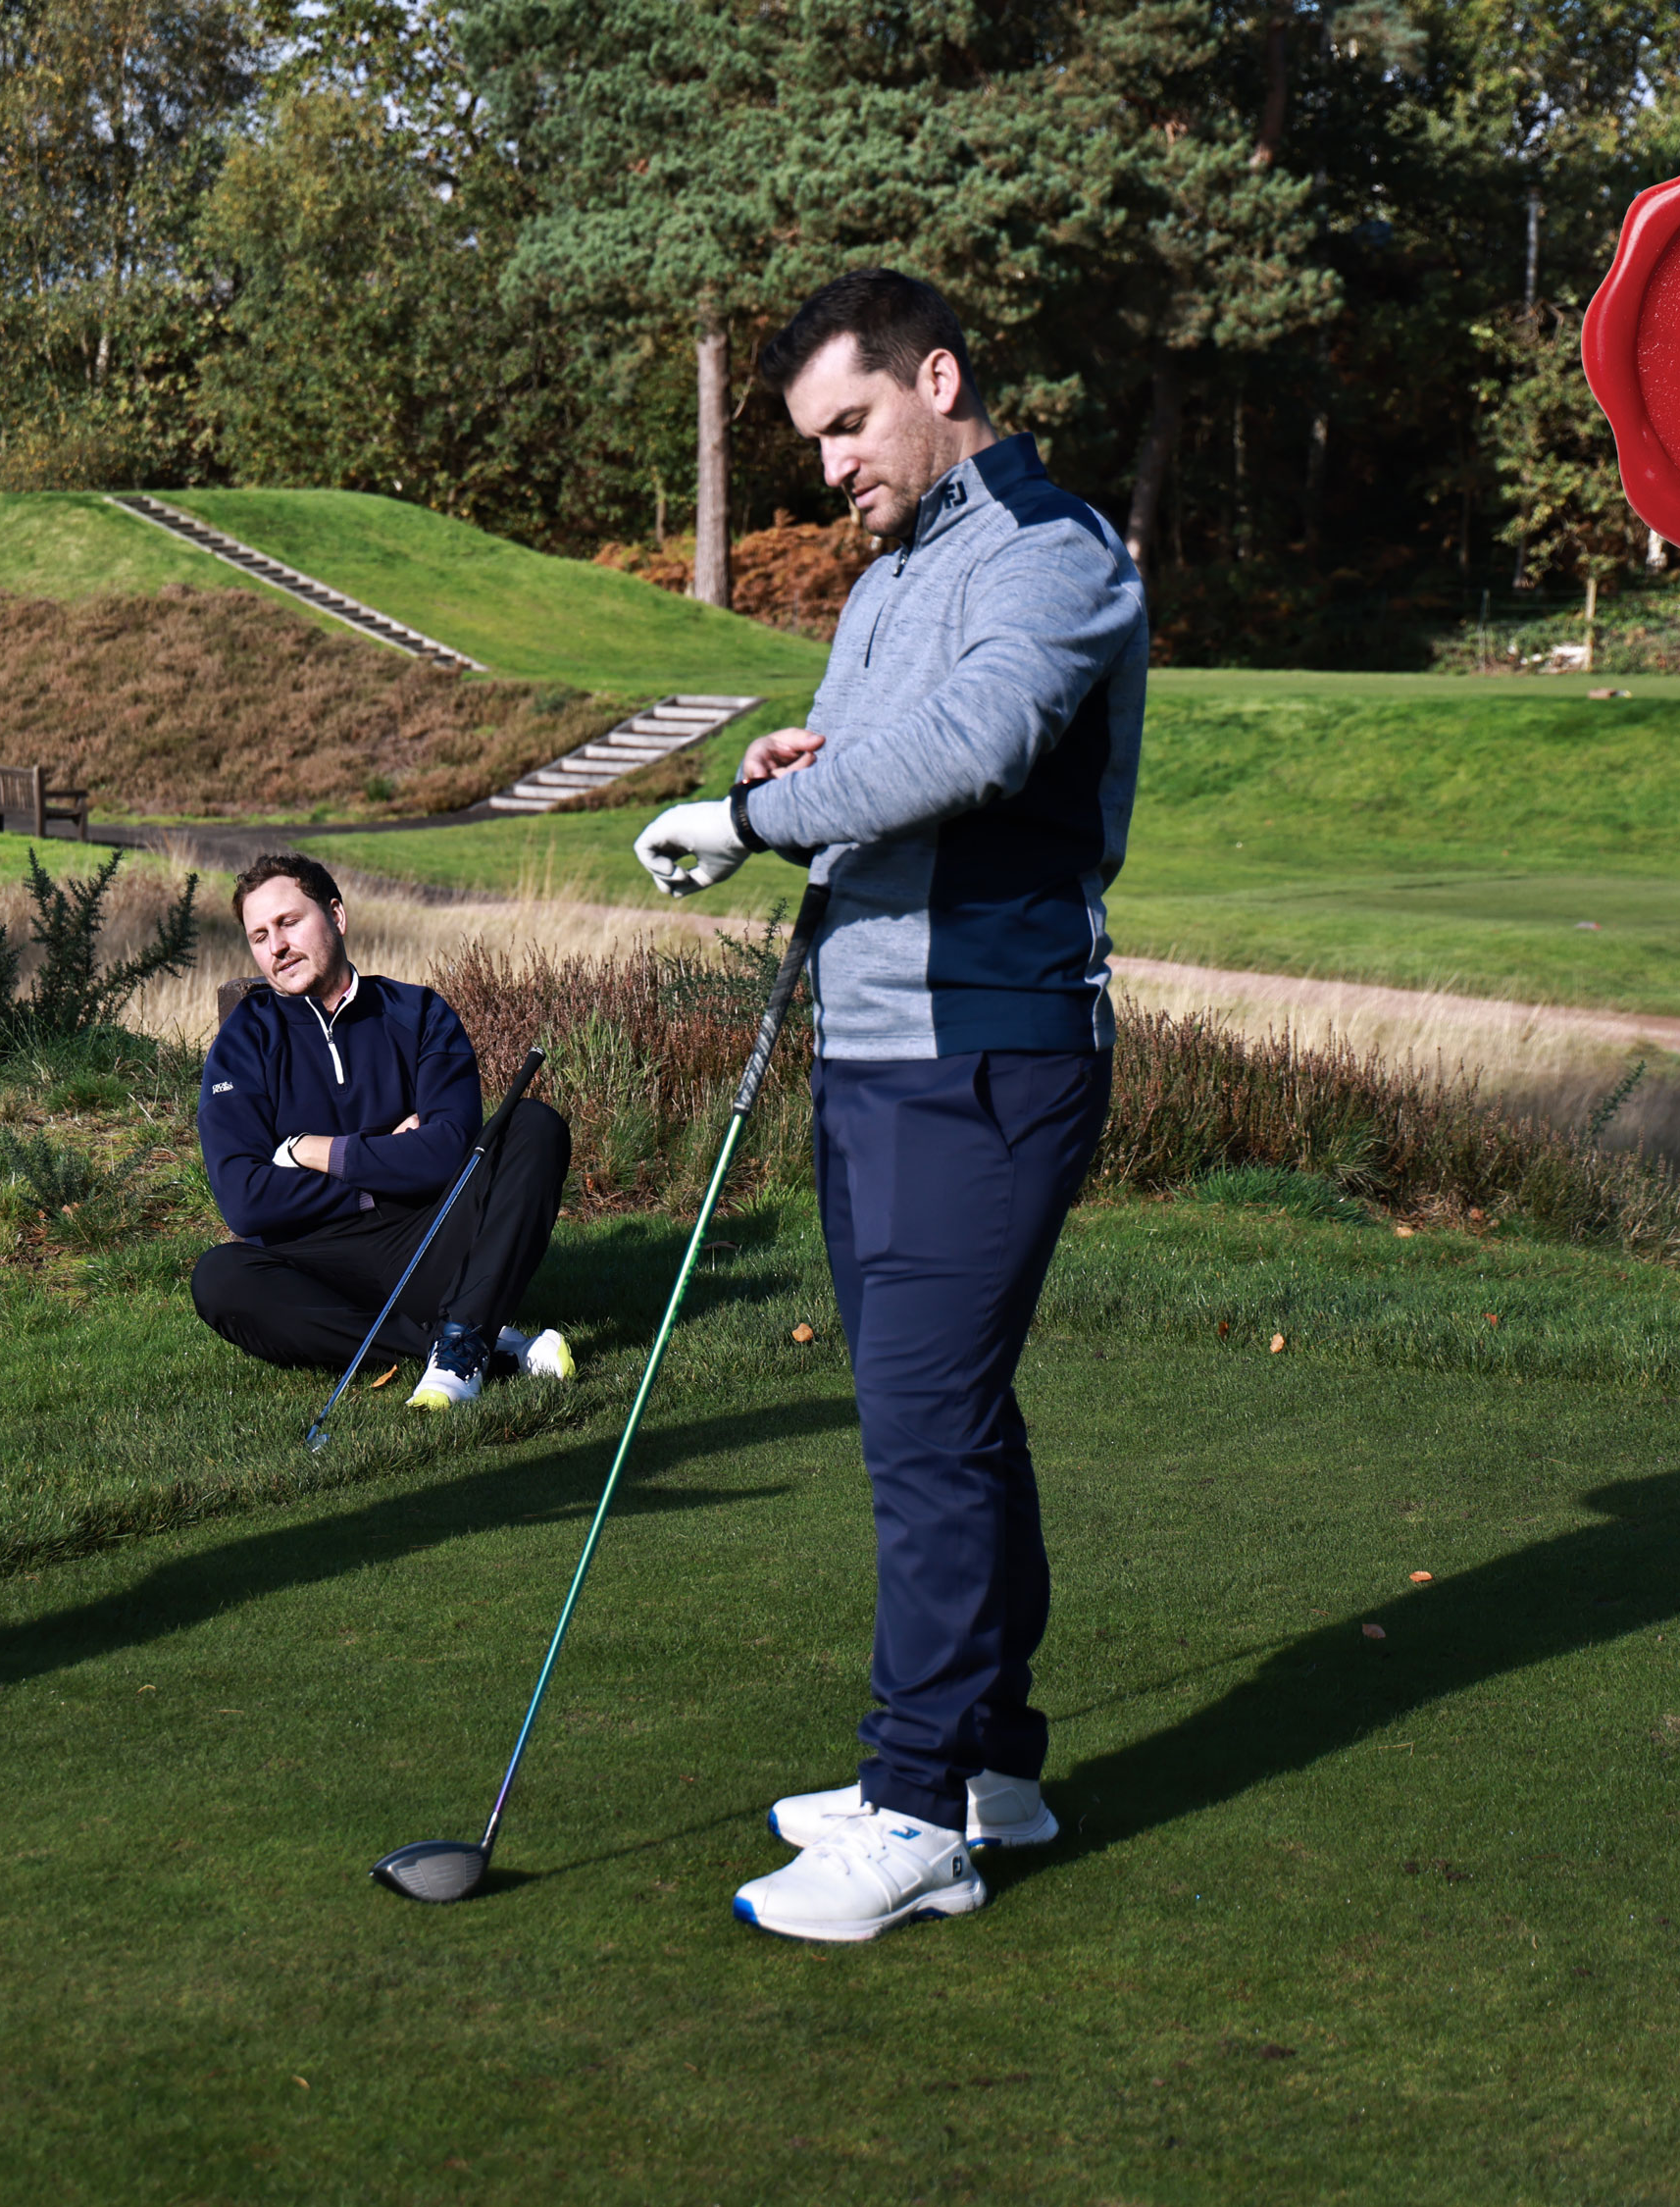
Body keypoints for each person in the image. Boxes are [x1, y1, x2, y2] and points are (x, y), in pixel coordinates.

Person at [633, 269, 1145, 1942]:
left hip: (983, 1056)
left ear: (939, 378)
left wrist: (750, 818)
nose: (834, 466)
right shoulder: (893, 578)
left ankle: (915, 1816)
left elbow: (976, 752)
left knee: (927, 1445)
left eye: (851, 424)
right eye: (813, 442)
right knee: (953, 1426)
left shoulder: (1053, 551)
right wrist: (801, 772)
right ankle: (991, 1764)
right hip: (876, 1049)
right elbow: (880, 769)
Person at [190, 853, 577, 1410]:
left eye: (289, 922)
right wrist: (389, 1159)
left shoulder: (419, 1014)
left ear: (337, 916)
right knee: (220, 1279)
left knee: (533, 1125)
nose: (275, 946)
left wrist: (306, 1151)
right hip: (313, 1260)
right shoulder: (242, 1043)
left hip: (426, 1238)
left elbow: (447, 1154)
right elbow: (245, 1201)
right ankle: (471, 1345)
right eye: (258, 935)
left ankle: (462, 1339)